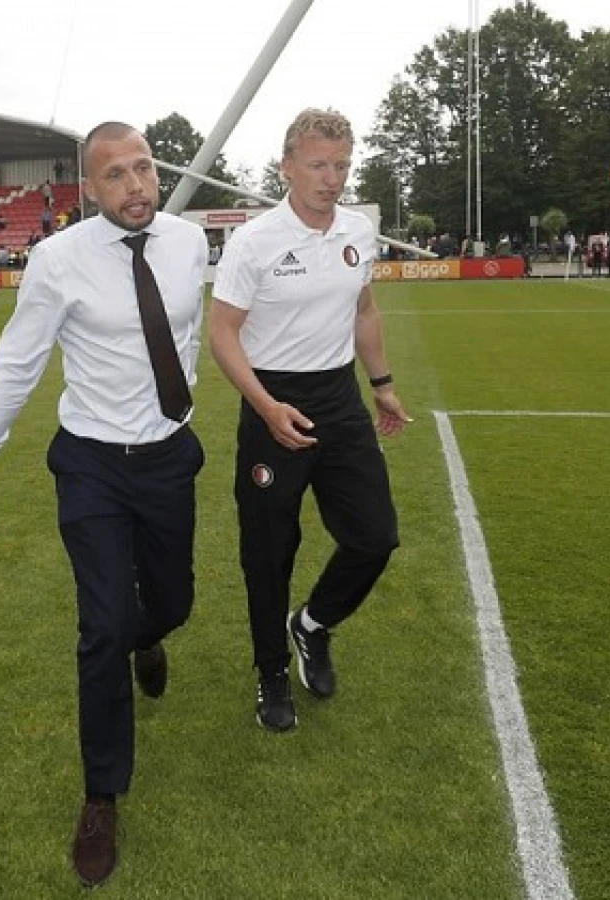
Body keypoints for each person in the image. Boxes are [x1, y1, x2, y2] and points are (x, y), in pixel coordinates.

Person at [0, 121, 208, 888]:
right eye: (116, 176)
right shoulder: (56, 261)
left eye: (144, 169)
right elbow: (18, 362)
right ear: (89, 189)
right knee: (101, 629)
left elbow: (196, 335)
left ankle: (149, 634)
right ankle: (102, 797)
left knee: (173, 603)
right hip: (92, 465)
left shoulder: (191, 243)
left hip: (168, 458)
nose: (136, 186)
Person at [208, 108, 410, 733]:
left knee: (375, 537)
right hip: (273, 402)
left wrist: (381, 385)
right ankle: (270, 673)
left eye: (342, 165)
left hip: (339, 400)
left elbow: (365, 309)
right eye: (319, 164)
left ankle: (312, 626)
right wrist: (266, 406)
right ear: (287, 166)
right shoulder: (255, 241)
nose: (332, 178)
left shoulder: (356, 230)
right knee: (268, 554)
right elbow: (222, 334)